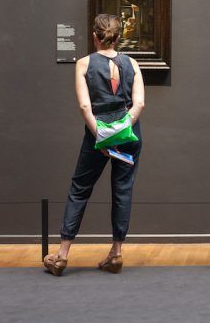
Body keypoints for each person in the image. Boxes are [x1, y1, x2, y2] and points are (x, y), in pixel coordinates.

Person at [43, 14, 146, 277]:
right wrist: (123, 129)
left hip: (96, 135)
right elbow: (139, 104)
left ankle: (62, 255)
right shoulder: (132, 63)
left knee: (80, 189)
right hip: (129, 136)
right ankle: (117, 253)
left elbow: (85, 106)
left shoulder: (84, 63)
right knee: (123, 189)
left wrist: (101, 135)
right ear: (118, 36)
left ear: (95, 36)